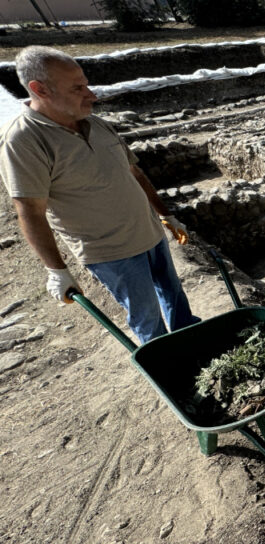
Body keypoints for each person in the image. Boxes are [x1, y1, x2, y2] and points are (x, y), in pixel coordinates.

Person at [0, 46, 199, 344]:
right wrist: (56, 270)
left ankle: (195, 344)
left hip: (150, 234)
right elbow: (29, 209)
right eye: (78, 87)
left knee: (174, 296)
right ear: (39, 89)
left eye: (86, 84)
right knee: (147, 320)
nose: (91, 94)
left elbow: (135, 173)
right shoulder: (24, 140)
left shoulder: (97, 124)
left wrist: (165, 215)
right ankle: (171, 373)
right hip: (112, 254)